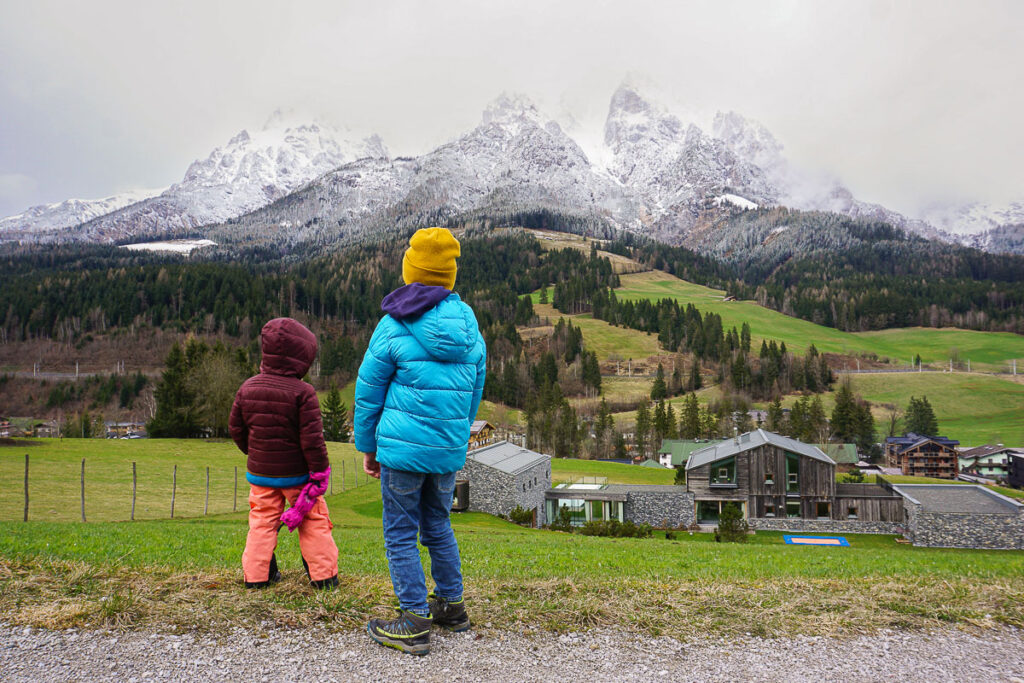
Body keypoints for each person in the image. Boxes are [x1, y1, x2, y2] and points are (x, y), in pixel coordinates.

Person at [355, 227, 486, 656]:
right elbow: (473, 395)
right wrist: (456, 439)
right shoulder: (470, 328)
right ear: (449, 278)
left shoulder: (393, 323)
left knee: (399, 531)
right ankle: (451, 605)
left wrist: (368, 446)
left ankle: (412, 619)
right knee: (439, 525)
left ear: (410, 272)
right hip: (446, 451)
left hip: (402, 451)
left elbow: (369, 389)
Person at [229, 317, 339, 589]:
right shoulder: (304, 393)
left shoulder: (247, 388)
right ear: (300, 359)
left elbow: (236, 429)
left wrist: (255, 452)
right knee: (314, 522)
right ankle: (324, 577)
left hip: (261, 475)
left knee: (261, 525)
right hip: (298, 477)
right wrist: (319, 471)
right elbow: (312, 440)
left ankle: (257, 578)